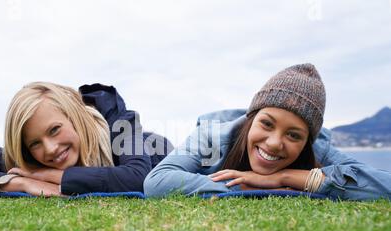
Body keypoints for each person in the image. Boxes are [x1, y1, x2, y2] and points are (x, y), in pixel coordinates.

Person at [144, 63, 391, 201]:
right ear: (252, 118)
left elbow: (385, 186)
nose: (274, 143)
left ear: (307, 141)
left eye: (293, 135)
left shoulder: (319, 148)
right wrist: (247, 187)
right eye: (267, 124)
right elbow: (157, 182)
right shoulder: (210, 136)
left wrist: (284, 178)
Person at [0, 82, 172, 196]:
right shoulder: (27, 157)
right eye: (35, 143)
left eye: (54, 130)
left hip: (158, 150)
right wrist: (23, 183)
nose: (50, 149)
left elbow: (138, 177)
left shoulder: (122, 122)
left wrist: (47, 176)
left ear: (74, 117)